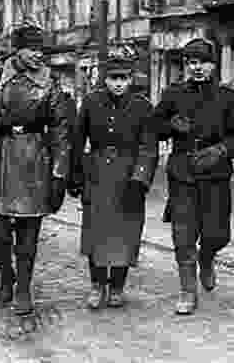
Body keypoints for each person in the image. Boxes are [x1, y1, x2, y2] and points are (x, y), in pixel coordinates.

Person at [0, 21, 72, 316]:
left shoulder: (50, 82)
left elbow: (60, 130)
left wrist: (59, 173)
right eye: (32, 49)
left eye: (41, 50)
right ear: (17, 50)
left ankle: (22, 286)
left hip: (33, 160)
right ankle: (5, 272)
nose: (38, 55)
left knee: (28, 230)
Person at [151, 38, 234, 315]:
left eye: (203, 63)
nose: (197, 68)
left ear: (213, 65)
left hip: (215, 176)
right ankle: (187, 291)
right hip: (182, 175)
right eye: (191, 63)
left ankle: (207, 258)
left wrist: (221, 150)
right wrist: (169, 125)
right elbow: (154, 128)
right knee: (183, 236)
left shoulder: (227, 98)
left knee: (217, 234)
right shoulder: (173, 95)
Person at [68, 55, 158, 309]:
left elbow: (148, 147)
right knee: (96, 232)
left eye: (124, 79)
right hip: (96, 176)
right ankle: (97, 285)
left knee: (125, 233)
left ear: (131, 80)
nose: (118, 84)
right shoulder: (90, 102)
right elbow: (77, 140)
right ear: (104, 79)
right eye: (113, 78)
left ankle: (117, 286)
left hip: (128, 177)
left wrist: (140, 179)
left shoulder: (142, 106)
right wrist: (75, 175)